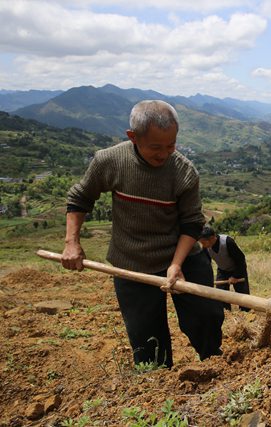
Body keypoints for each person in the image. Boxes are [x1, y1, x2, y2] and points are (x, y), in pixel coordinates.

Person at [61, 100, 224, 369]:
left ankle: (216, 368)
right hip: (132, 261)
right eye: (156, 147)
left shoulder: (183, 172)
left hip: (183, 256)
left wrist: (176, 264)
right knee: (147, 343)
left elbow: (192, 223)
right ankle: (157, 393)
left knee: (206, 318)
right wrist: (71, 243)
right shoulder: (109, 161)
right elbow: (80, 198)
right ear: (133, 137)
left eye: (171, 145)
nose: (165, 154)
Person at [198, 225, 251, 312]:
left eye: (203, 242)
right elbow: (206, 264)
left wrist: (235, 276)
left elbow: (241, 260)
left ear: (211, 238)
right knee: (220, 296)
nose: (202, 245)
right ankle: (226, 312)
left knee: (243, 297)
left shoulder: (227, 242)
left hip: (238, 269)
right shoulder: (206, 247)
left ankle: (246, 314)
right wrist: (206, 279)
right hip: (222, 270)